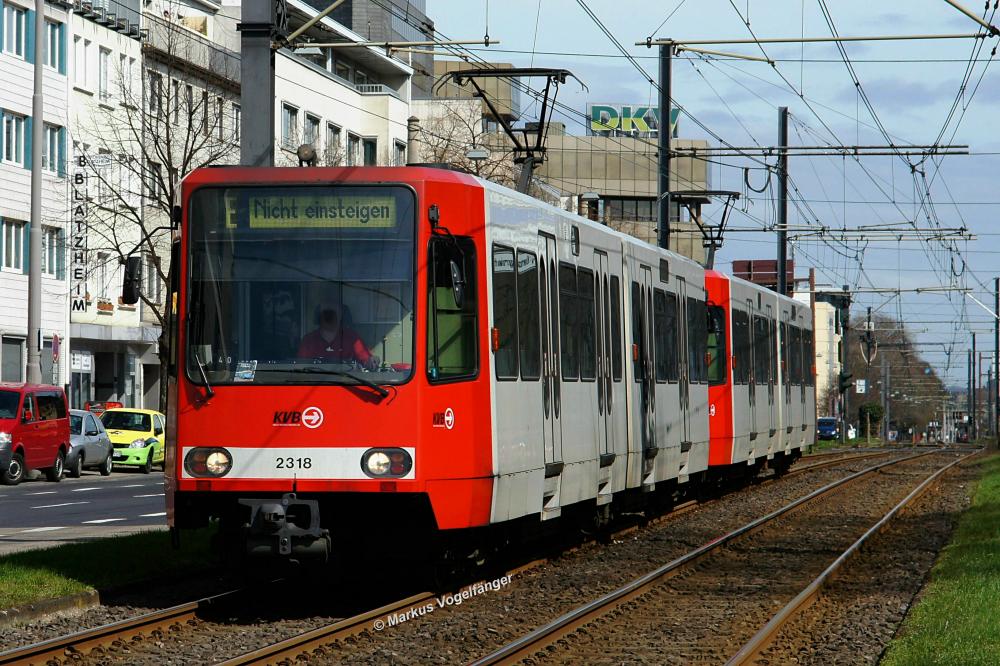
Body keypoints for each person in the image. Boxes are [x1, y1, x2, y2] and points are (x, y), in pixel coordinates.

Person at [298, 303, 376, 367]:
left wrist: (372, 361)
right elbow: (301, 366)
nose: (329, 316)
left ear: (341, 316)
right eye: (326, 313)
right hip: (314, 383)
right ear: (318, 317)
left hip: (346, 383)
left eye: (333, 313)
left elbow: (367, 360)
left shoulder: (352, 338)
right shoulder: (309, 340)